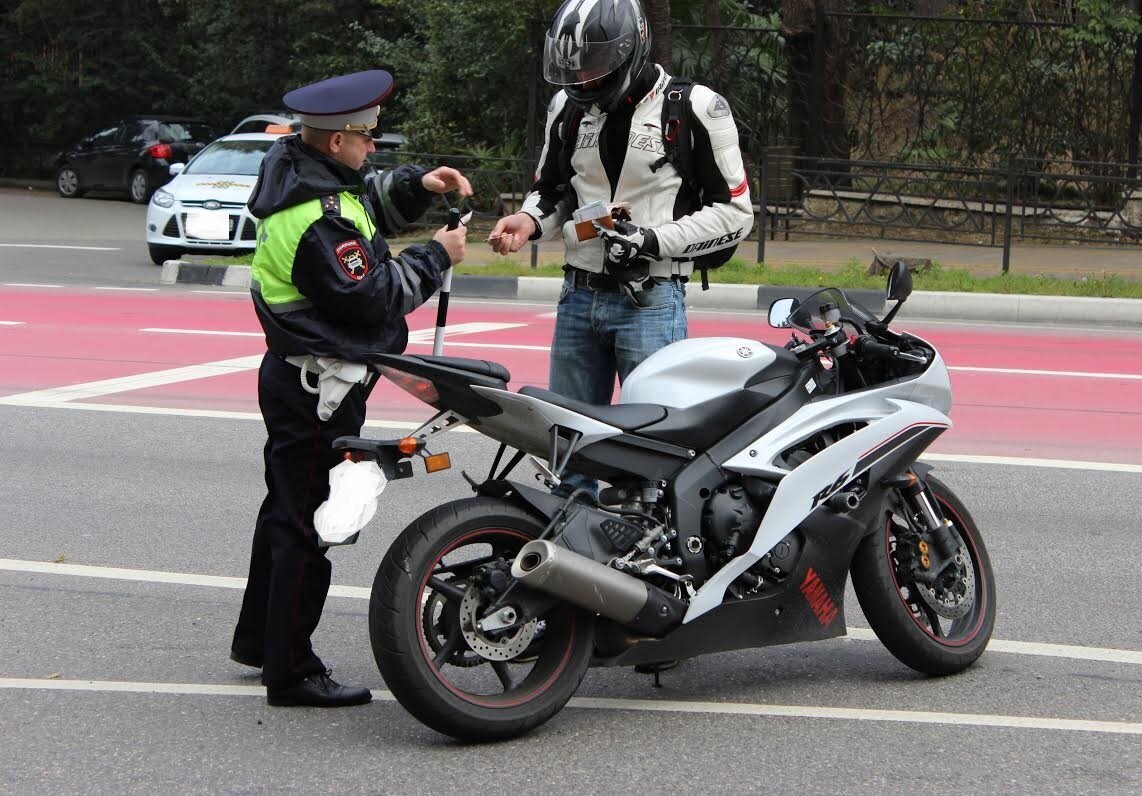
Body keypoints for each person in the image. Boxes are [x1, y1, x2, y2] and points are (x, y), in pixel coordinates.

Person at [229, 69, 474, 707]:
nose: (373, 148)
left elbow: (366, 200)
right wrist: (436, 255)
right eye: (366, 138)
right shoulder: (316, 218)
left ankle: (262, 641)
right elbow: (371, 298)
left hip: (298, 377)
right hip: (320, 390)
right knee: (309, 525)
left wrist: (419, 186)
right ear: (335, 141)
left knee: (283, 513)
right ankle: (292, 672)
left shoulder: (301, 171)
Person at [487, 0, 753, 496]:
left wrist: (651, 241)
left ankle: (646, 562)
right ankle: (568, 561)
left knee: (651, 450)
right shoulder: (565, 107)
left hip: (650, 300)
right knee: (566, 449)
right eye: (574, 66)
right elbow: (554, 191)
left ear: (630, 49)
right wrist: (526, 221)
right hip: (577, 297)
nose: (583, 78)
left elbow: (737, 215)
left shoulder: (695, 107)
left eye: (593, 65)